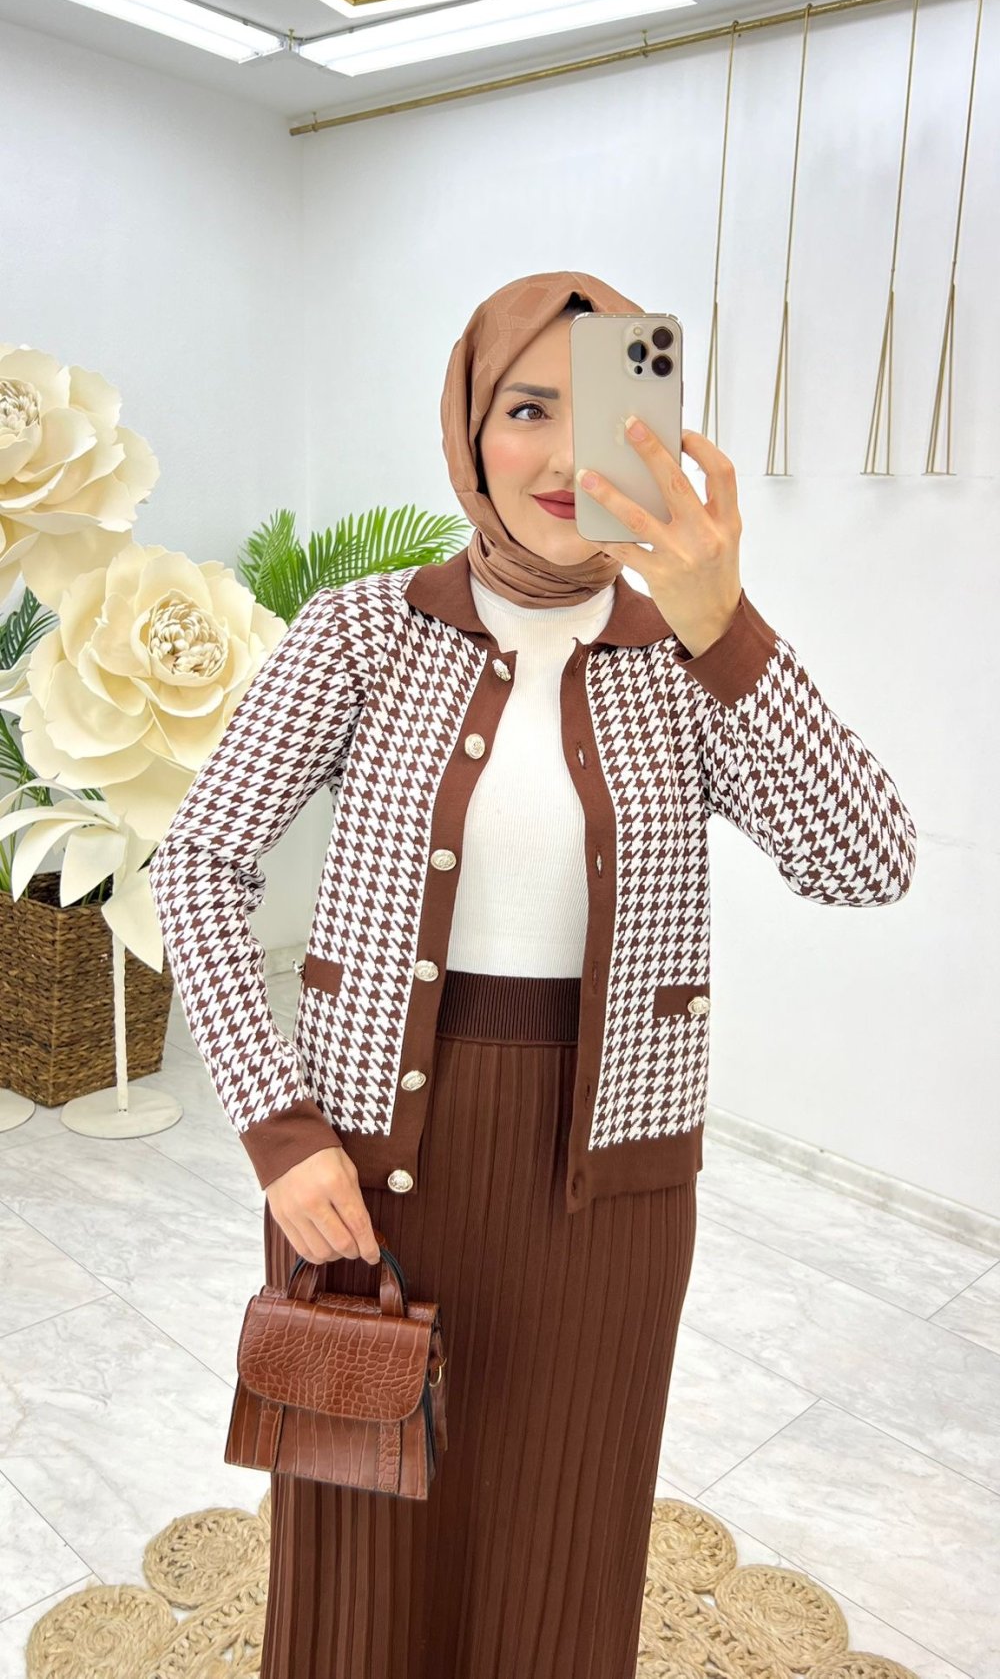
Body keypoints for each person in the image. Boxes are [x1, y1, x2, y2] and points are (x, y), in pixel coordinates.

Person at [152, 268, 915, 1679]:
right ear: (468, 425)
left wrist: (726, 622)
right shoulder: (362, 632)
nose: (566, 456)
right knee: (359, 1532)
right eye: (526, 409)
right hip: (368, 1170)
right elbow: (197, 861)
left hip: (610, 1183)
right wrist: (277, 1128)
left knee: (564, 1526)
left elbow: (868, 857)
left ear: (660, 430)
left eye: (606, 410)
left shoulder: (688, 662)